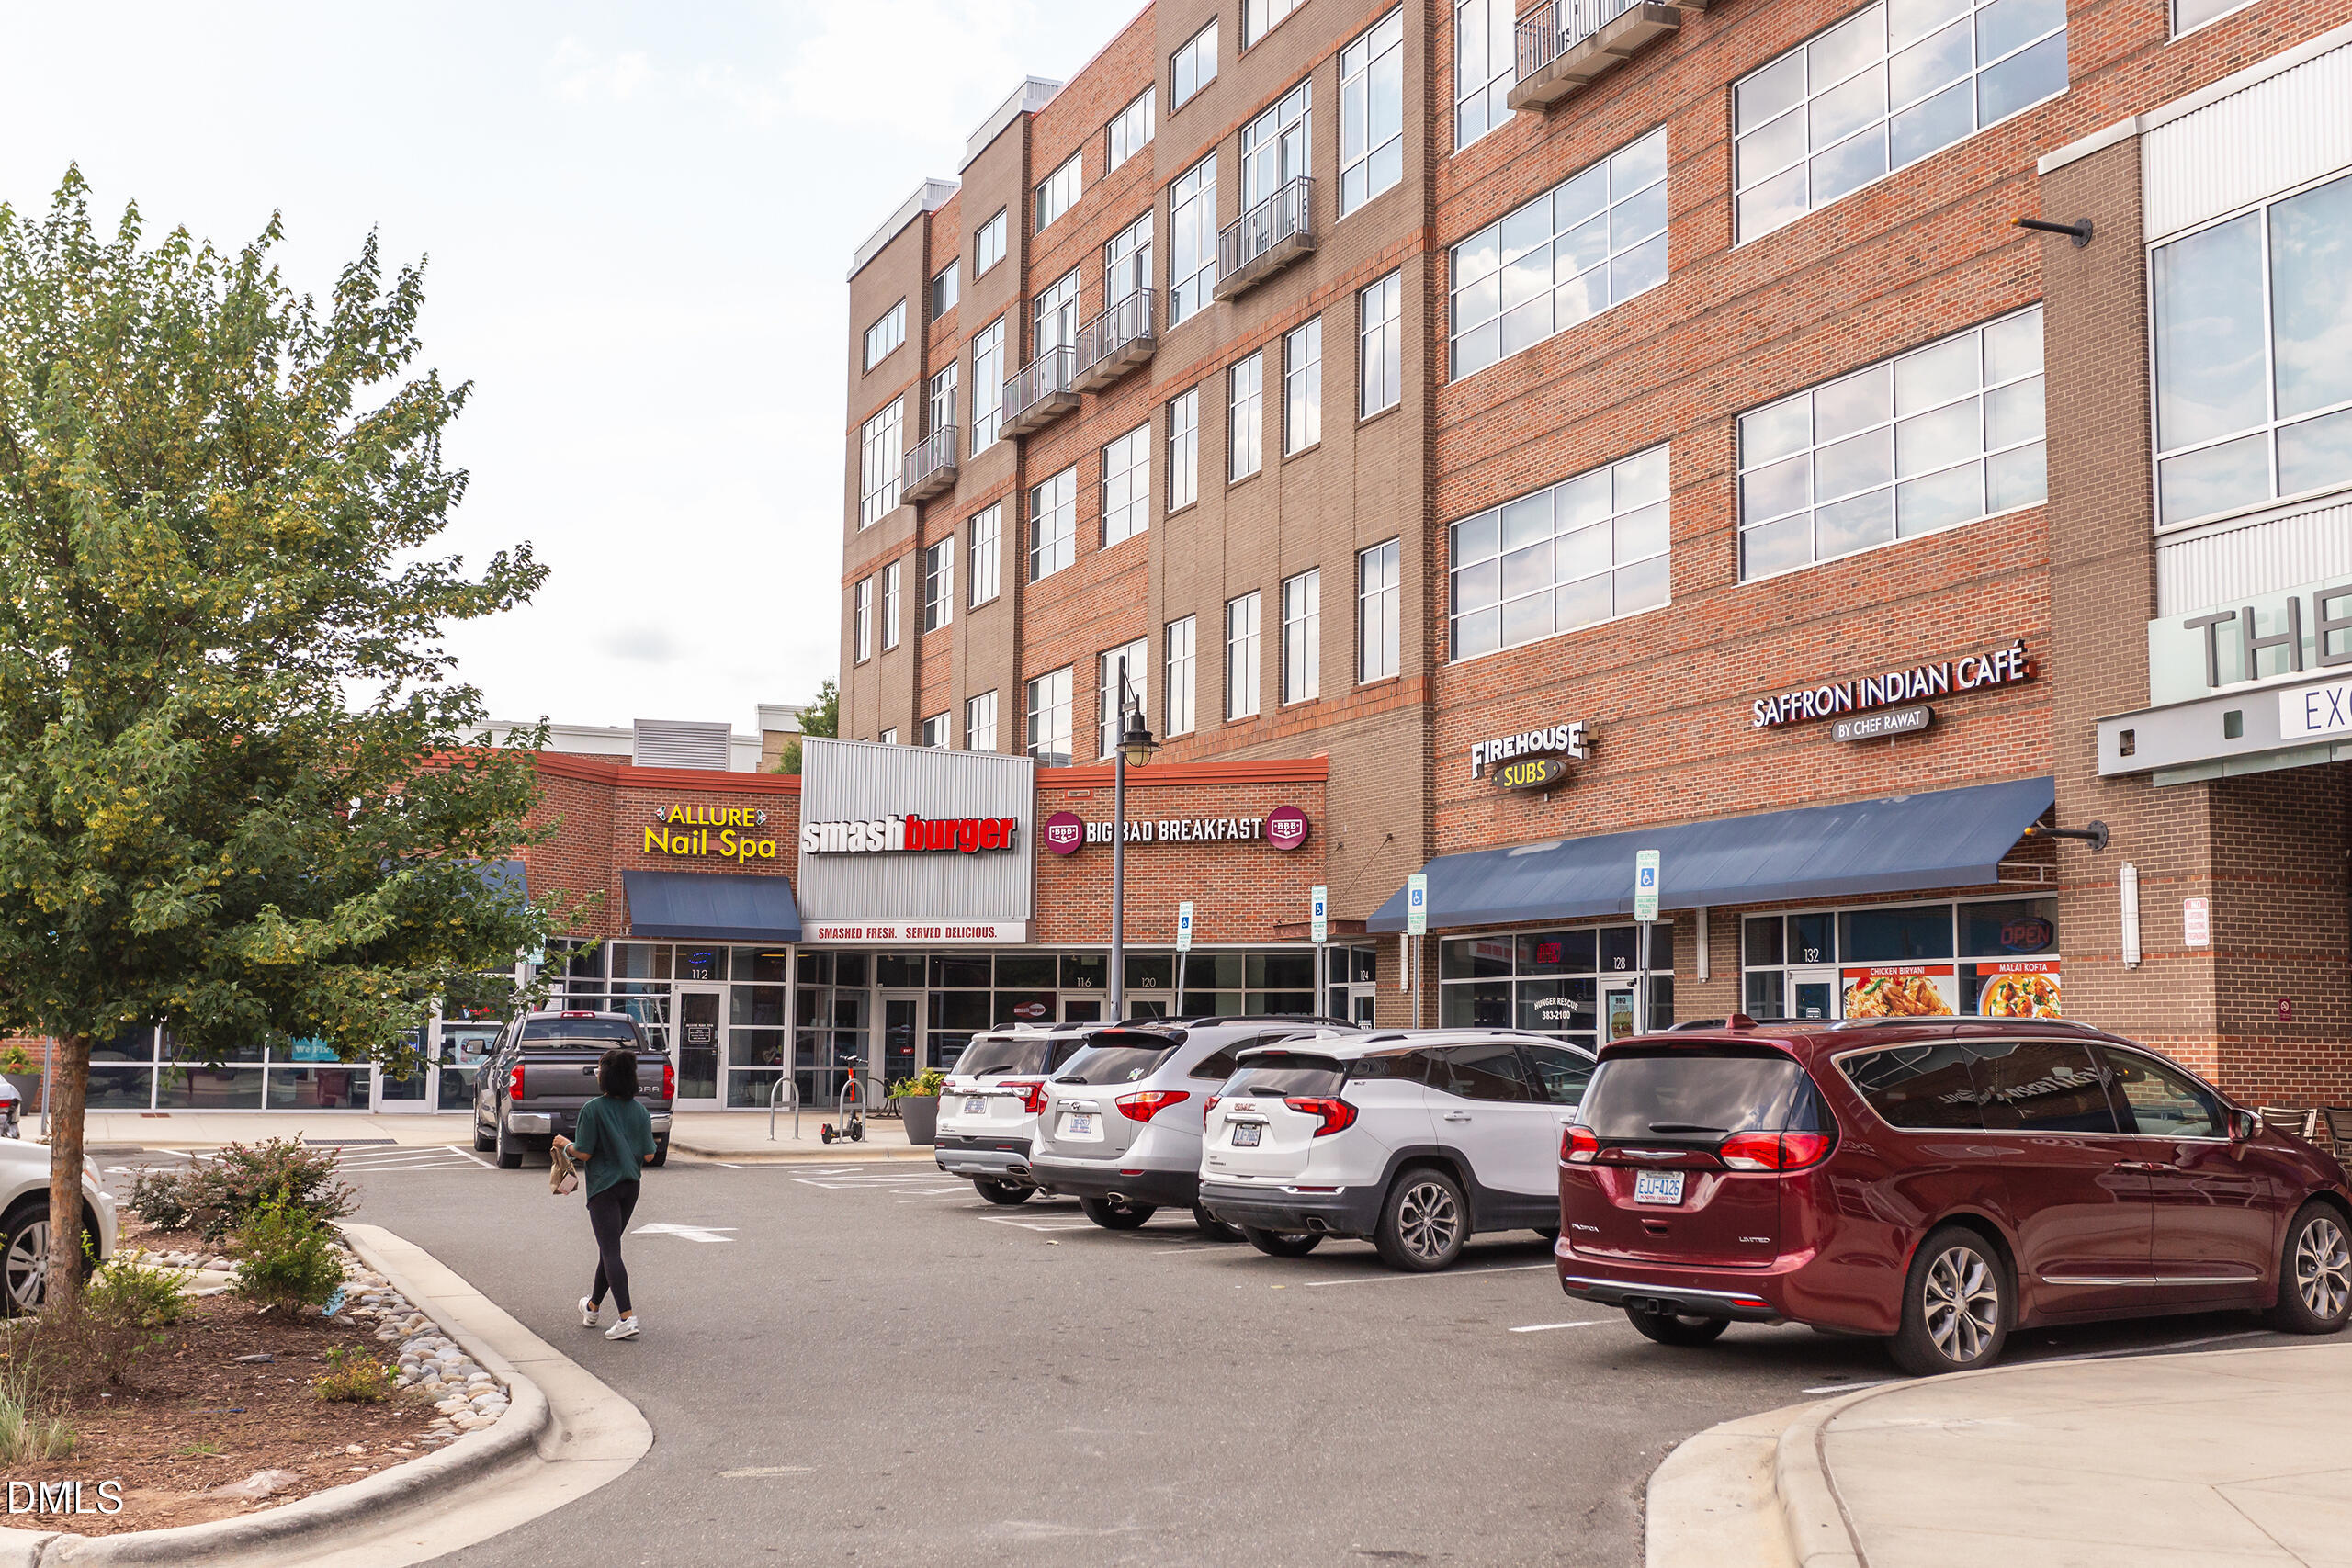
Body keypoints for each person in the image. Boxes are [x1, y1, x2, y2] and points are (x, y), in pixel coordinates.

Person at [552, 1046, 659, 1340]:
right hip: (631, 1187)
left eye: (599, 1070)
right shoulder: (640, 1111)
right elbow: (649, 1155)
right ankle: (592, 1307)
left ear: (606, 1077)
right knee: (608, 1248)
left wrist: (563, 1144)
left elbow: (584, 1152)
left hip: (603, 1188)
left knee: (610, 1250)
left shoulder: (593, 1109)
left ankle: (626, 1317)